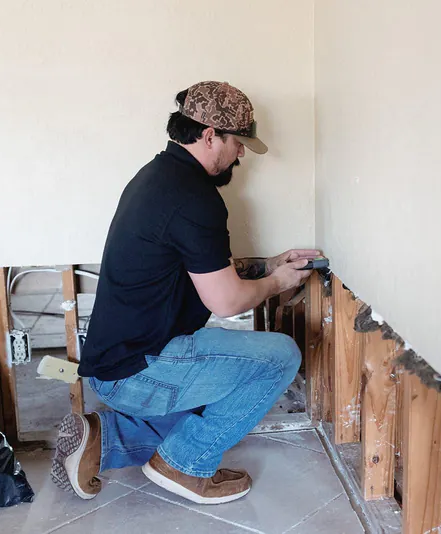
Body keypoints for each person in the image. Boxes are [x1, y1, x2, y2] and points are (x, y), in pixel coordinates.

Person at [50, 81, 317, 505]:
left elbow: (199, 269)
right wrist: (277, 284)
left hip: (116, 363)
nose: (242, 154)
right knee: (279, 358)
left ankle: (104, 440)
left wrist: (267, 265)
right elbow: (226, 302)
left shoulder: (157, 177)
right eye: (239, 142)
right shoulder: (195, 199)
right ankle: (184, 465)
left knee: (222, 401)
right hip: (139, 371)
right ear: (210, 135)